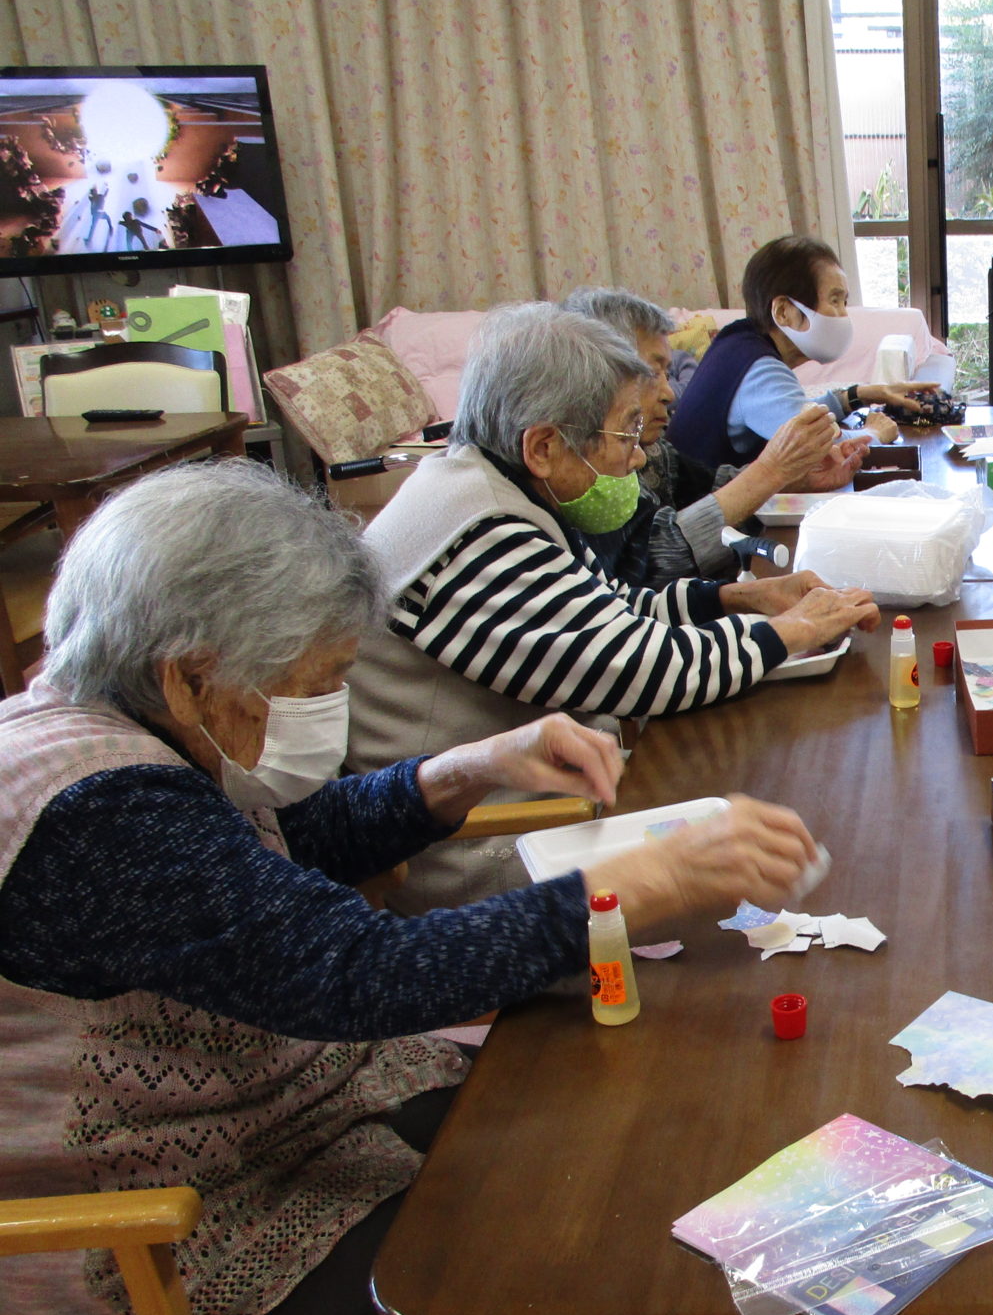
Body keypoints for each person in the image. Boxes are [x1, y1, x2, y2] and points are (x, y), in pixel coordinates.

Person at [0, 461, 816, 1315]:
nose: (330, 705)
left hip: (272, 1121)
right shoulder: (102, 817)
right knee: (570, 1249)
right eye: (315, 683)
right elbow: (359, 976)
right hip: (162, 1235)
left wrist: (470, 768)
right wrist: (635, 884)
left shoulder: (112, 723)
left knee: (598, 1134)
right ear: (190, 676)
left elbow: (286, 842)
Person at [346, 301, 879, 910]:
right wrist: (793, 630)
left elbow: (612, 610)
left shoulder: (489, 487)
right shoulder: (480, 534)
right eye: (625, 433)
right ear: (544, 446)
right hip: (482, 858)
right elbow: (644, 670)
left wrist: (737, 596)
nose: (638, 456)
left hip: (539, 806)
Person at [563, 287, 868, 588]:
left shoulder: (650, 448)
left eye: (667, 374)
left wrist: (795, 476)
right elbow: (655, 562)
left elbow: (710, 484)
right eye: (653, 373)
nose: (669, 394)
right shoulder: (585, 468)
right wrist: (772, 470)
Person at [664, 234, 938, 471]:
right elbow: (826, 454)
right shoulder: (760, 371)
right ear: (784, 311)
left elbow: (794, 413)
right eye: (834, 300)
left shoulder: (737, 341)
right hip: (701, 509)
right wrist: (874, 433)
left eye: (844, 302)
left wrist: (860, 394)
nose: (844, 315)